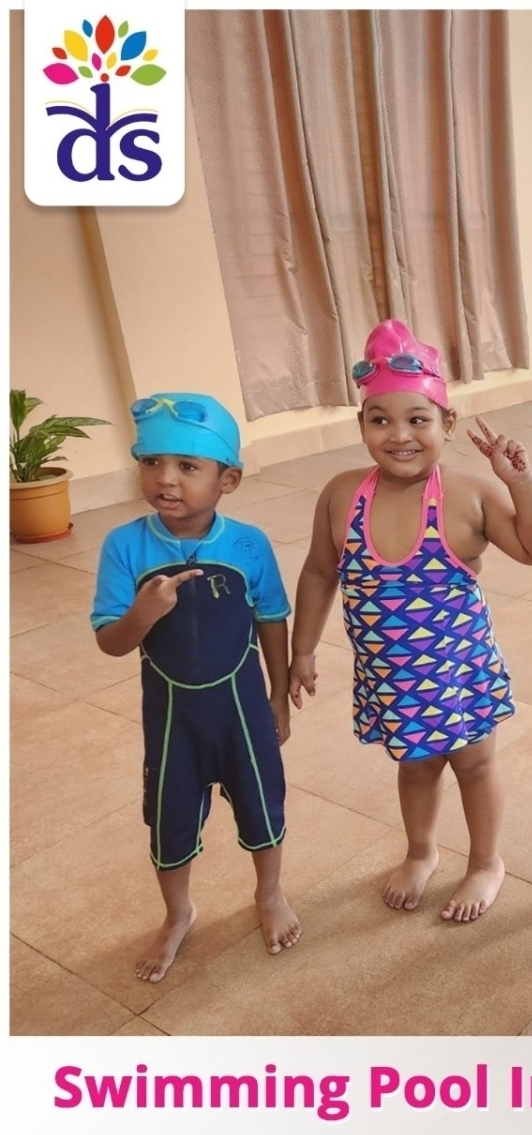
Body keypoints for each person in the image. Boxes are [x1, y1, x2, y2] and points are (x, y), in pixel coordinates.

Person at [288, 319, 532, 922]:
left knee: (474, 765)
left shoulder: (467, 494)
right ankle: (421, 851)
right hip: (393, 676)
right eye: (379, 420)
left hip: (458, 672)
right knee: (415, 765)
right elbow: (320, 573)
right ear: (361, 424)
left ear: (447, 424)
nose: (399, 435)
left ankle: (485, 861)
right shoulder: (342, 494)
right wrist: (303, 650)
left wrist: (520, 482)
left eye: (417, 419)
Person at [91, 392, 299, 983]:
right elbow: (111, 642)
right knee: (169, 815)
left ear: (227, 479)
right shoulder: (124, 546)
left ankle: (270, 893)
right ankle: (178, 912)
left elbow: (271, 620)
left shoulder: (248, 544)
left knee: (262, 802)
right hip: (171, 722)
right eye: (151, 462)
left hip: (242, 712)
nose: (166, 478)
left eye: (187, 465)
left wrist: (278, 696)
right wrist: (143, 613)